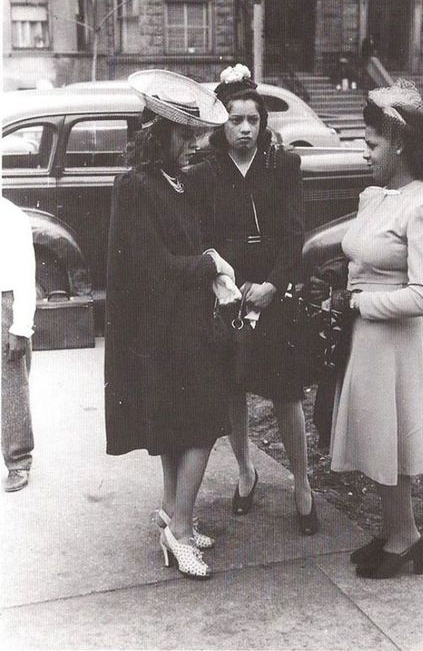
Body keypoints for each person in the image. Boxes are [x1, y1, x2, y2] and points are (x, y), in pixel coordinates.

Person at [105, 69, 238, 580]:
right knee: (202, 426)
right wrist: (208, 262)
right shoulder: (136, 185)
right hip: (163, 330)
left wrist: (205, 260)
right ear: (158, 134)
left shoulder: (174, 181)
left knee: (184, 427)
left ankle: (171, 512)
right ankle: (179, 531)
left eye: (195, 135)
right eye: (185, 136)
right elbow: (152, 267)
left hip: (185, 326)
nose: (194, 145)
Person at [186, 64, 319, 535]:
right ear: (220, 124)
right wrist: (228, 287)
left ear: (264, 122)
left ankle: (302, 485)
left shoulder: (283, 166)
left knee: (286, 392)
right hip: (229, 298)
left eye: (253, 120)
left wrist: (275, 286)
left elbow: (293, 234)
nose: (245, 129)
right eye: (234, 120)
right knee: (231, 389)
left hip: (271, 295)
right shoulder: (204, 173)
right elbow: (201, 237)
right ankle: (246, 472)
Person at [329, 80, 423, 578]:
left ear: (398, 144)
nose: (364, 153)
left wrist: (361, 302)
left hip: (392, 341)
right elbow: (360, 256)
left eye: (371, 144)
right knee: (377, 437)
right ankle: (393, 529)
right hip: (365, 337)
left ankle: (407, 538)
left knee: (389, 438)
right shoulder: (376, 196)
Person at [1, 196, 36, 492]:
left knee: (11, 386)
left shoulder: (12, 218)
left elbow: (26, 276)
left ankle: (18, 460)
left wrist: (20, 327)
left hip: (5, 304)